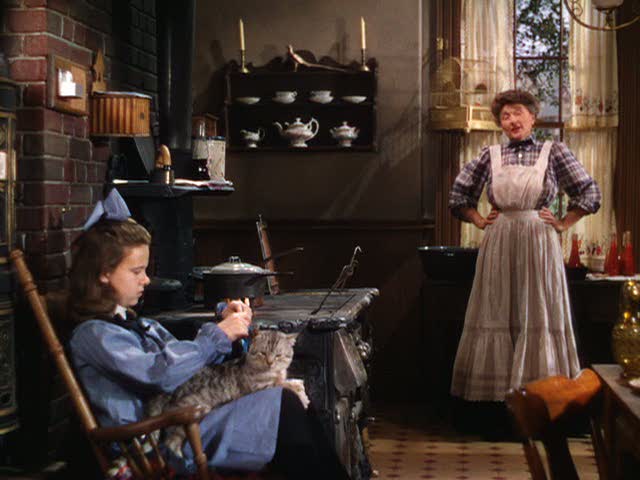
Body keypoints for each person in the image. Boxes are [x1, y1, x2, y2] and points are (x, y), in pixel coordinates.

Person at [66, 189, 350, 479]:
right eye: (136, 271)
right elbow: (160, 374)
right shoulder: (94, 336)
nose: (146, 279)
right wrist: (216, 336)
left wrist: (226, 327)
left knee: (294, 405)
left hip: (181, 417)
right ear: (103, 273)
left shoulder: (139, 323)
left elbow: (186, 366)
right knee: (283, 405)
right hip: (158, 437)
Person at [448, 90, 601, 404]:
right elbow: (458, 197)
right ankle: (494, 399)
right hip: (500, 240)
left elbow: (589, 192)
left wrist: (563, 223)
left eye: (518, 113)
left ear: (533, 116)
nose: (512, 120)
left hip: (538, 240)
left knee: (537, 310)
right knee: (498, 307)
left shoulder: (553, 151)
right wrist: (478, 220)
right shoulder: (489, 154)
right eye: (505, 116)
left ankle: (543, 395)